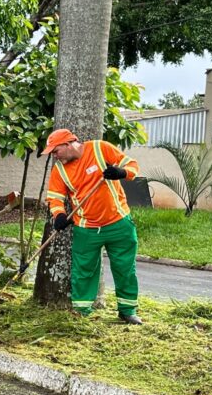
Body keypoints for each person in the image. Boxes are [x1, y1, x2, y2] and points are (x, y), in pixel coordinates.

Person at [42, 129, 143, 324]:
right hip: (86, 228)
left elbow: (132, 165)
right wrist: (60, 215)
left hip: (118, 223)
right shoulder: (60, 170)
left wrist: (120, 172)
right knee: (83, 272)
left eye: (56, 150)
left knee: (125, 269)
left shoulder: (100, 148)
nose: (54, 155)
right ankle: (82, 313)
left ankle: (127, 310)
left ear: (69, 143)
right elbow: (54, 197)